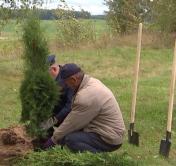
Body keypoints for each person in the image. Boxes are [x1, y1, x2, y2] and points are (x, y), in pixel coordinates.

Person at [43, 63, 126, 153]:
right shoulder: (90, 81)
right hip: (102, 130)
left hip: (108, 137)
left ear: (73, 80)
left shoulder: (86, 96)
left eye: (66, 83)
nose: (66, 86)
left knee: (70, 139)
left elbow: (71, 123)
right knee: (63, 136)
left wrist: (52, 141)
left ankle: (100, 160)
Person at [40, 56, 74, 136]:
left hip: (71, 117)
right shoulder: (52, 78)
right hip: (57, 112)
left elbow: (70, 106)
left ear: (54, 69)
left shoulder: (68, 79)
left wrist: (53, 120)